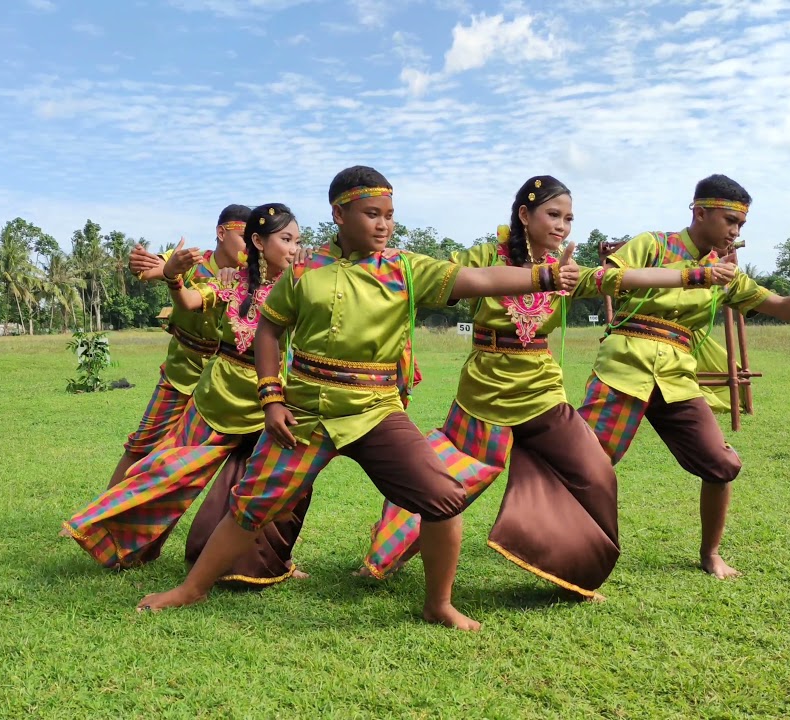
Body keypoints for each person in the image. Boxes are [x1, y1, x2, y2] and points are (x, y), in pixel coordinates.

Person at [136, 165, 591, 632]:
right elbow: (270, 328)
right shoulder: (303, 270)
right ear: (338, 213)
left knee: (444, 497)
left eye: (389, 215)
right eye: (372, 213)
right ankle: (191, 589)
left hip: (375, 410)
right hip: (306, 412)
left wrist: (543, 277)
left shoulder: (405, 269)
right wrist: (271, 398)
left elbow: (477, 280)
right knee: (251, 504)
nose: (383, 224)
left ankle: (439, 604)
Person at [359, 175, 735, 599]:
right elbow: (435, 273)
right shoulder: (486, 255)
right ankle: (387, 552)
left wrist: (695, 275)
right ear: (524, 215)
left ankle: (572, 572)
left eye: (569, 218)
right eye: (553, 215)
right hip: (486, 388)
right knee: (450, 479)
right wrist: (375, 258)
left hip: (542, 388)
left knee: (594, 472)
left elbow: (622, 279)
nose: (562, 226)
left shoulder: (568, 267)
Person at [578, 174, 790, 579]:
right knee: (585, 463)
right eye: (729, 221)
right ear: (700, 213)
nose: (735, 232)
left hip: (678, 376)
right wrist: (686, 274)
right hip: (624, 365)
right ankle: (557, 544)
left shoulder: (727, 273)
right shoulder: (654, 244)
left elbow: (781, 307)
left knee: (720, 463)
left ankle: (711, 554)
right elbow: (606, 279)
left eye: (741, 226)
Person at [63, 204, 310, 584]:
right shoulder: (220, 274)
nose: (294, 247)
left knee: (283, 480)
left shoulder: (299, 281)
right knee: (167, 466)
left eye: (297, 240)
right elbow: (183, 293)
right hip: (217, 393)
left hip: (272, 400)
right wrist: (174, 277)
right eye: (286, 239)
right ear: (249, 240)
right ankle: (113, 530)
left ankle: (269, 562)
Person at [106, 204, 249, 490]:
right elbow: (151, 270)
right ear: (222, 233)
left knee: (240, 454)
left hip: (224, 380)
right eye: (245, 236)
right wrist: (141, 263)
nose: (250, 246)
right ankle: (99, 516)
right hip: (181, 371)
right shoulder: (189, 261)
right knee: (144, 443)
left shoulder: (250, 274)